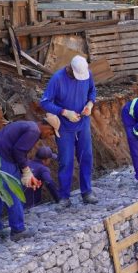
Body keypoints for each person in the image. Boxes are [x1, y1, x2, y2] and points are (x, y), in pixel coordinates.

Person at [0, 116, 58, 241]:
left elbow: (17, 152)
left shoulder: (26, 125)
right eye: (51, 132)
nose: (49, 135)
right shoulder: (34, 131)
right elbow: (18, 152)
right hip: (1, 158)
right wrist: (26, 171)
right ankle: (18, 229)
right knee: (14, 191)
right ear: (47, 126)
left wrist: (26, 174)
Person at [40, 55, 98, 208]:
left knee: (86, 157)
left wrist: (90, 105)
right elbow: (45, 102)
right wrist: (65, 112)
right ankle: (64, 197)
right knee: (66, 161)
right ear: (71, 70)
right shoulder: (57, 79)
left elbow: (92, 91)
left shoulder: (87, 74)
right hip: (65, 127)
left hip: (83, 123)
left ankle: (87, 192)